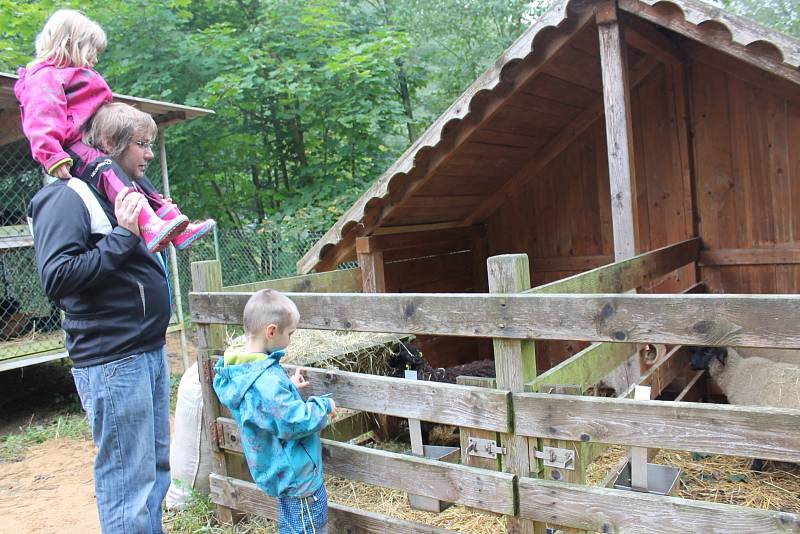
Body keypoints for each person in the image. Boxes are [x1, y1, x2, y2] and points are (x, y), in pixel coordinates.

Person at [28, 103, 173, 534]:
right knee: (128, 479)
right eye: (141, 145)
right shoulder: (65, 195)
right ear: (109, 144)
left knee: (155, 470)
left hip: (148, 350)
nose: (148, 155)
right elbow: (58, 278)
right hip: (112, 358)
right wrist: (125, 237)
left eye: (151, 145)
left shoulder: (120, 195)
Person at [15, 8, 214, 252]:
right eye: (92, 51)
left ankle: (173, 224)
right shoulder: (44, 77)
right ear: (71, 44)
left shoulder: (75, 74)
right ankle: (147, 222)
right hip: (73, 148)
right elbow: (41, 117)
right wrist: (52, 155)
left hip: (93, 142)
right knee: (108, 170)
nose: (95, 60)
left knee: (134, 176)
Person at [214, 289, 337, 534]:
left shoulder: (243, 370)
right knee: (308, 527)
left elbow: (261, 406)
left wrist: (287, 387)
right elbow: (293, 421)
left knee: (292, 526)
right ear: (271, 331)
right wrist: (324, 407)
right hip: (298, 477)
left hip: (280, 471)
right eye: (290, 333)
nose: (290, 340)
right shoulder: (266, 380)